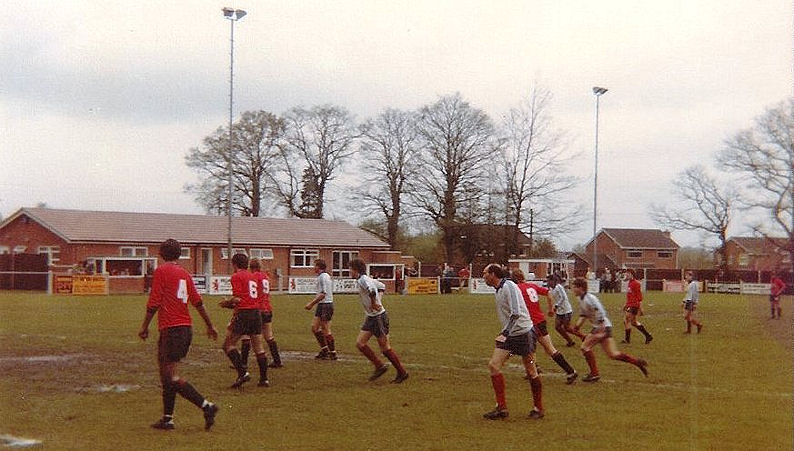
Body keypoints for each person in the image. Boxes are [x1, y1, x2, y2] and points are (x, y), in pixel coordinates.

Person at [138, 239, 219, 431]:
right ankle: (168, 419)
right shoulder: (184, 273)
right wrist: (210, 325)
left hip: (172, 329)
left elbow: (154, 301)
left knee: (171, 376)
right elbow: (197, 301)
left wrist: (144, 326)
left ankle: (207, 406)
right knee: (166, 375)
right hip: (184, 329)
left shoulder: (161, 271)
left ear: (161, 254)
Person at [481, 264, 544, 420]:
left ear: (493, 274)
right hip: (510, 336)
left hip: (523, 334)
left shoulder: (509, 285)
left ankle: (538, 408)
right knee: (494, 365)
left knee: (531, 371)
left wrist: (505, 332)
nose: (483, 277)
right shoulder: (499, 289)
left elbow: (516, 313)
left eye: (484, 273)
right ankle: (501, 408)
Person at [570, 277, 648, 382]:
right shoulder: (581, 299)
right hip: (603, 326)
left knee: (585, 347)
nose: (572, 289)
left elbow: (600, 311)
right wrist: (577, 326)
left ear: (581, 288)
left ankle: (594, 374)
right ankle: (637, 362)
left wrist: (602, 329)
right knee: (613, 354)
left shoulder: (590, 299)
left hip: (602, 327)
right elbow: (584, 314)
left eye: (574, 287)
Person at [511, 268, 577, 384]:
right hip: (540, 320)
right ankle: (535, 368)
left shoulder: (517, 289)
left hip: (532, 322)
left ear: (514, 279)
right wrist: (551, 309)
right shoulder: (532, 286)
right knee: (531, 348)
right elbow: (548, 293)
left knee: (544, 349)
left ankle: (570, 371)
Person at [350, 258, 409, 383]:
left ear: (356, 270)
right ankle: (379, 366)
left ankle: (402, 372)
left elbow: (372, 291)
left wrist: (374, 303)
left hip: (378, 317)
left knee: (385, 348)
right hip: (371, 317)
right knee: (360, 344)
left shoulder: (363, 280)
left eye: (350, 269)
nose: (350, 272)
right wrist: (378, 301)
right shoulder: (368, 279)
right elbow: (382, 286)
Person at [219, 253, 270, 388]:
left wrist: (226, 303)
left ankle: (243, 373)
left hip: (244, 314)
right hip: (256, 313)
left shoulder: (236, 276)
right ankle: (264, 379)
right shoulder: (252, 276)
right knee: (258, 347)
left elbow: (237, 299)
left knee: (228, 345)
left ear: (234, 264)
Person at [251, 259, 283, 367]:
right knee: (269, 336)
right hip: (268, 309)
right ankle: (277, 360)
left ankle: (243, 363)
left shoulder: (254, 276)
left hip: (258, 309)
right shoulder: (265, 276)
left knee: (250, 336)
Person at [304, 259, 337, 360]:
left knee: (326, 329)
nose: (314, 267)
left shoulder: (323, 277)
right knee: (314, 327)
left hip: (326, 305)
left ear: (319, 267)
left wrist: (311, 304)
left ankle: (333, 353)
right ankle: (325, 350)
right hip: (322, 305)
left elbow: (323, 294)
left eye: (315, 266)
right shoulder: (321, 277)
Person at [547, 273, 586, 347]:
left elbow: (563, 297)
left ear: (553, 281)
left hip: (566, 310)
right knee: (557, 327)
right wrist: (553, 308)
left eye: (549, 281)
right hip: (560, 311)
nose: (548, 282)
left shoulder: (559, 287)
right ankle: (570, 341)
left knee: (567, 327)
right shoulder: (552, 289)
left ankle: (583, 336)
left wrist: (556, 306)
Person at [622, 269, 653, 344]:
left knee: (627, 319)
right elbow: (630, 295)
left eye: (628, 274)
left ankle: (627, 340)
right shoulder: (630, 283)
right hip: (630, 304)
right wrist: (625, 304)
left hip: (634, 305)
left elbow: (639, 297)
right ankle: (648, 336)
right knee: (633, 322)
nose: (626, 275)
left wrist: (641, 308)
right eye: (626, 274)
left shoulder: (636, 283)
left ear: (632, 274)